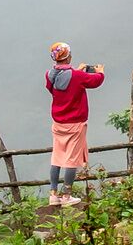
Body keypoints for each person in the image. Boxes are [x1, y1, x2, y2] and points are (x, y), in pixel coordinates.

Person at [43, 43, 105, 203]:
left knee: (57, 158)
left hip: (58, 123)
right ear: (69, 56)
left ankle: (53, 195)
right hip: (76, 123)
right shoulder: (77, 76)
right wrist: (100, 72)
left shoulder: (50, 75)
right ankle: (66, 195)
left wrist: (77, 70)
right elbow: (96, 81)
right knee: (72, 159)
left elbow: (57, 85)